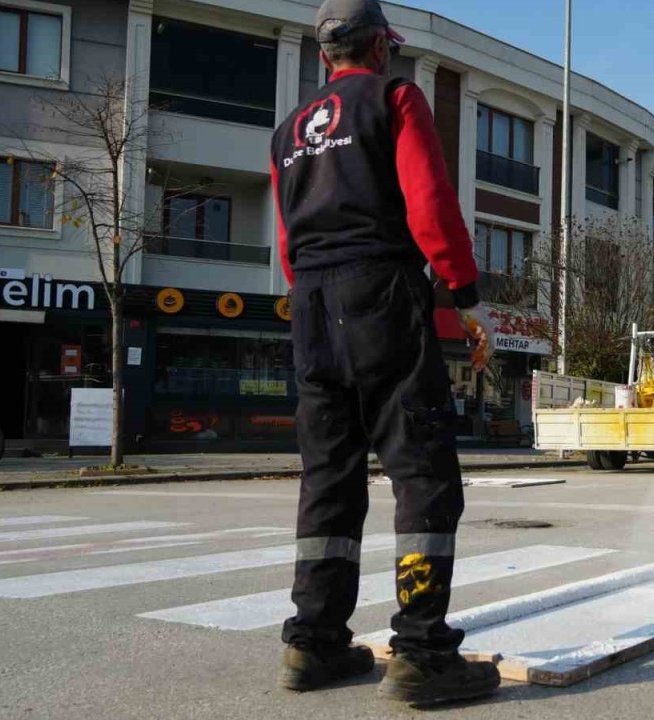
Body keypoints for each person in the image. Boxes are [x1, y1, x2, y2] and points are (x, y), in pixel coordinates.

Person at [270, 0, 499, 705]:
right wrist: (464, 292)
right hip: (381, 294)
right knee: (422, 470)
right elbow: (429, 202)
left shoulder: (287, 133)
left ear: (323, 58)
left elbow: (285, 238)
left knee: (329, 476)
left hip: (310, 302)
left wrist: (317, 295)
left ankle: (315, 643)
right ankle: (422, 652)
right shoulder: (396, 97)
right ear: (379, 48)